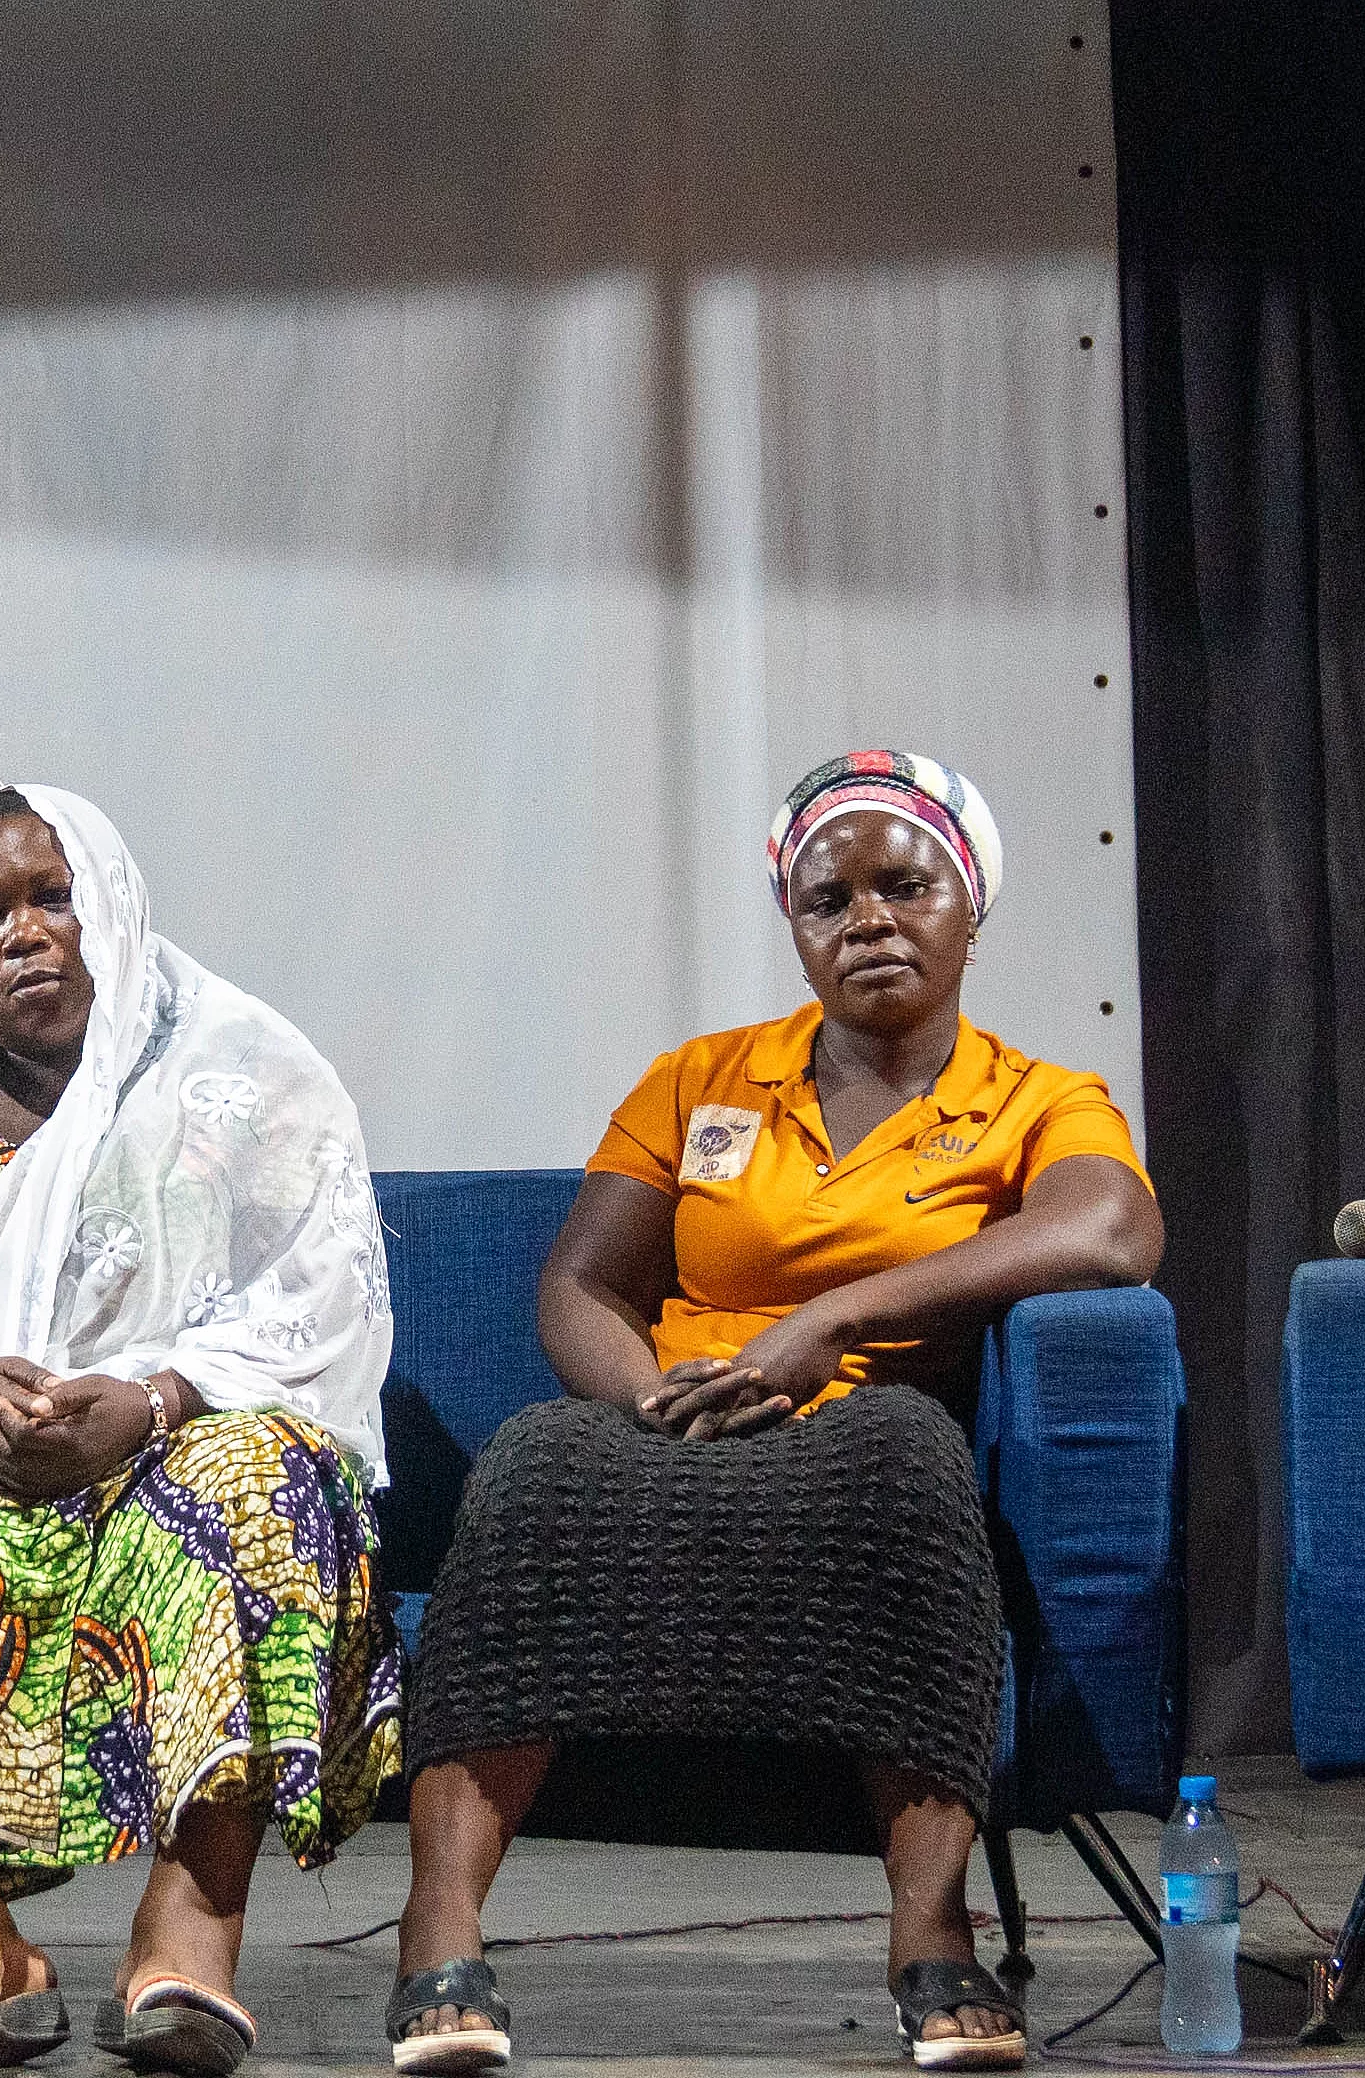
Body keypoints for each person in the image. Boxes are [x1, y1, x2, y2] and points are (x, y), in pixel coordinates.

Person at [387, 752, 1164, 2075]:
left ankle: (931, 1930)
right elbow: (580, 1281)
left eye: (902, 884)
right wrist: (648, 1396)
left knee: (910, 1462)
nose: (866, 917)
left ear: (970, 903)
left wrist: (836, 1321)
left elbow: (1113, 1226)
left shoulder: (1036, 1095)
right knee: (527, 1466)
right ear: (795, 926)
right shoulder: (704, 1079)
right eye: (828, 898)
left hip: (865, 1417)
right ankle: (438, 1929)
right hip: (671, 1413)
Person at [0, 785, 398, 2078]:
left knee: (272, 1475)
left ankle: (190, 1926)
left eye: (52, 896)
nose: (24, 935)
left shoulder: (235, 1076)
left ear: (111, 900)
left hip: (171, 1446)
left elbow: (312, 1301)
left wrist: (151, 1399)